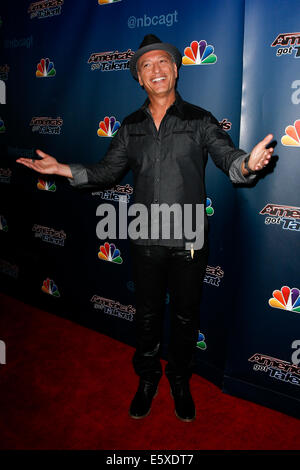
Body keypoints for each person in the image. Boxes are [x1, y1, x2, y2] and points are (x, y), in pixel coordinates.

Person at [17, 35, 273, 422]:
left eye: (163, 62)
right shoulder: (130, 126)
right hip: (144, 236)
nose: (156, 70)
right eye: (147, 65)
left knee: (186, 316)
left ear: (176, 68)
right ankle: (149, 377)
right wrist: (61, 169)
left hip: (188, 237)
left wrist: (249, 166)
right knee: (148, 314)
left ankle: (181, 381)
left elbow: (229, 159)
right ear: (139, 77)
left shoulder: (200, 120)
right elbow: (105, 172)